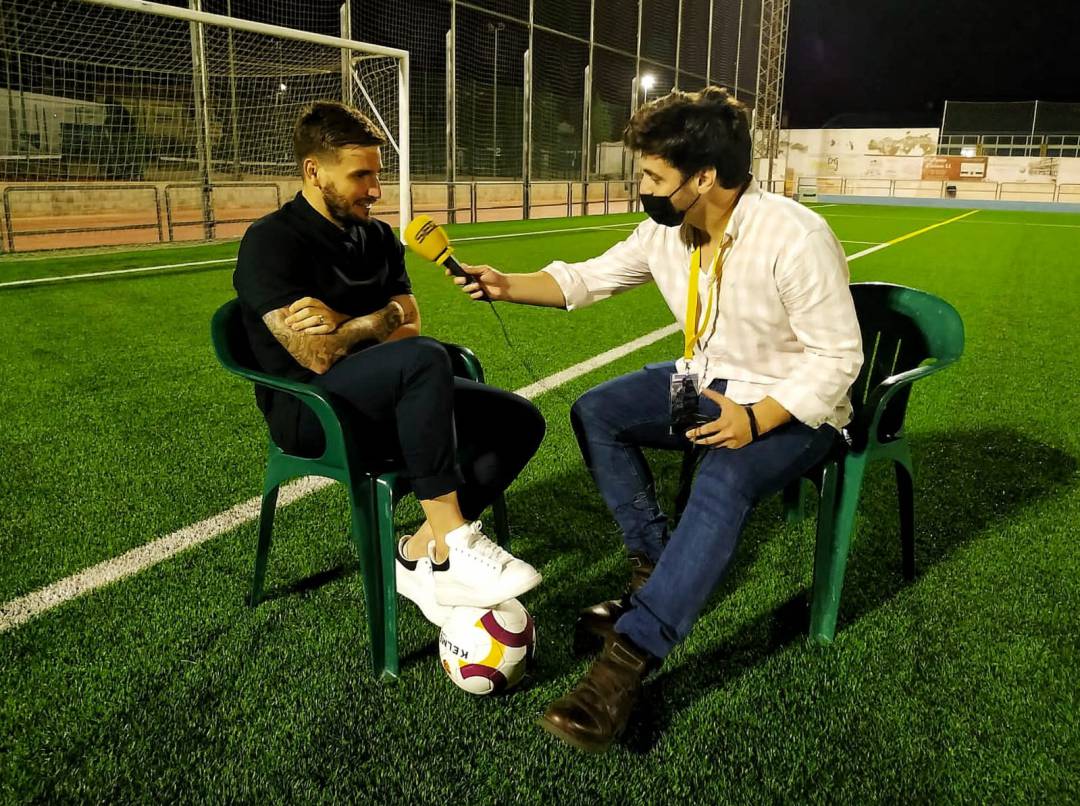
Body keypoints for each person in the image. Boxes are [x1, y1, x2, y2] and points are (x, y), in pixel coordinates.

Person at [448, 87, 864, 752]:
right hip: (705, 381)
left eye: (652, 176)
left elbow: (840, 358)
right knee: (597, 412)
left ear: (704, 177)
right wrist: (507, 284)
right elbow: (588, 279)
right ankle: (653, 566)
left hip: (796, 405)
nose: (639, 186)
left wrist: (758, 418)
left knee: (724, 479)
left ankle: (622, 668)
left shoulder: (794, 236)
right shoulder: (668, 231)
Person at [232, 101, 545, 627]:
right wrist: (379, 320)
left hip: (391, 390)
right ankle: (454, 541)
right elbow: (315, 355)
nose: (375, 189)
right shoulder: (271, 241)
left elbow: (411, 322)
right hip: (312, 411)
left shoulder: (377, 237)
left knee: (519, 421)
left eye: (377, 174)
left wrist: (345, 319)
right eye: (361, 175)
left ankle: (418, 553)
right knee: (422, 360)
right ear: (314, 171)